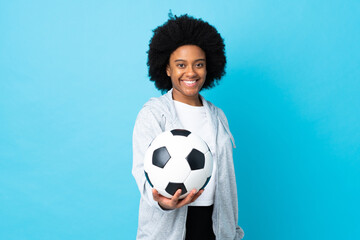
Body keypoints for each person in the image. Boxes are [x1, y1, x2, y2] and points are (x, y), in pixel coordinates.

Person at [132, 14, 244, 240]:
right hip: (169, 230)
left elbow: (226, 183)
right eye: (181, 65)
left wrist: (231, 232)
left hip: (214, 227)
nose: (191, 72)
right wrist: (162, 202)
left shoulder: (218, 116)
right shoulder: (153, 114)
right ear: (167, 69)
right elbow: (142, 171)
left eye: (199, 64)